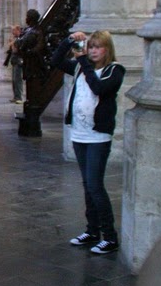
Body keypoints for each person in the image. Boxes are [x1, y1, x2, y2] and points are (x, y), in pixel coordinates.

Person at [51, 30, 125, 255]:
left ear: (107, 49)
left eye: (97, 47)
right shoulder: (79, 67)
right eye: (90, 46)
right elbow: (55, 61)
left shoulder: (115, 70)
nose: (92, 51)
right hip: (79, 134)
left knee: (95, 185)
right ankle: (92, 231)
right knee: (87, 185)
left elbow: (98, 88)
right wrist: (68, 40)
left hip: (97, 136)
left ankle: (109, 237)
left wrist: (83, 60)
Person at [5, 24, 24, 103]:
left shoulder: (20, 39)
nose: (12, 32)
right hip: (14, 61)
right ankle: (15, 97)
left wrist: (12, 43)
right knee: (14, 80)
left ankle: (19, 97)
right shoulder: (16, 39)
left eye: (13, 30)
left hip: (18, 61)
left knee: (18, 80)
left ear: (18, 30)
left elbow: (15, 50)